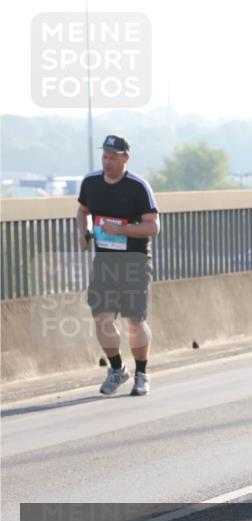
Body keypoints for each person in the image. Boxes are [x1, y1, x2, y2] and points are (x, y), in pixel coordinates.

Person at [76, 135, 160, 397]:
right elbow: (82, 211)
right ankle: (116, 369)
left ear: (126, 158)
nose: (107, 162)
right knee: (102, 318)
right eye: (105, 156)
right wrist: (84, 232)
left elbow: (153, 226)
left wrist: (121, 230)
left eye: (113, 157)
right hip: (104, 261)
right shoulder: (91, 182)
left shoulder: (138, 187)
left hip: (134, 261)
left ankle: (142, 374)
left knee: (134, 321)